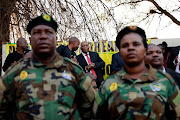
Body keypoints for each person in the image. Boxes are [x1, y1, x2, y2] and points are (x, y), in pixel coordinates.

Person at [0, 14, 95, 120]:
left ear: (56, 39)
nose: (43, 36)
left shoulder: (74, 70)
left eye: (49, 32)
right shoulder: (15, 72)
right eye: (37, 33)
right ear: (30, 41)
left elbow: (91, 107)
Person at [93, 26, 180, 120]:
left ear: (145, 49)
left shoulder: (165, 81)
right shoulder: (108, 84)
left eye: (136, 44)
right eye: (125, 45)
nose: (130, 48)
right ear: (120, 51)